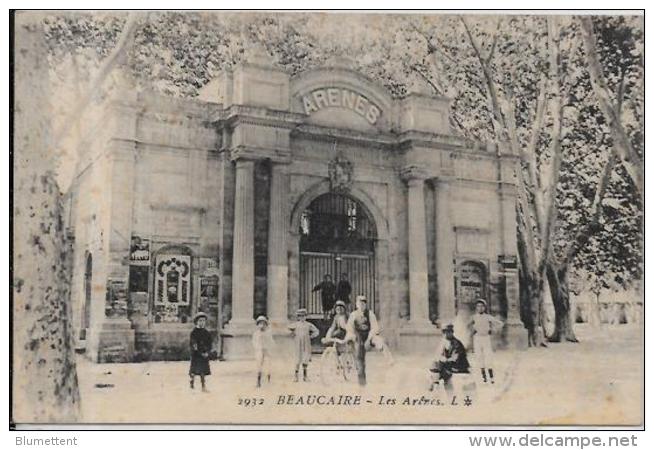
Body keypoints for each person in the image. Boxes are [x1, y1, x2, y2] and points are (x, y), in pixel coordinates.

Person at [345, 295, 393, 386]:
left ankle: (389, 360)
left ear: (366, 304)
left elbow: (375, 328)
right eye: (360, 303)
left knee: (380, 341)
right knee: (360, 358)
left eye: (363, 303)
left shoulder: (370, 314)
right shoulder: (353, 315)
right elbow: (349, 327)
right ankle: (362, 383)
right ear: (356, 304)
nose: (361, 305)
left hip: (368, 335)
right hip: (359, 336)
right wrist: (353, 336)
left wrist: (368, 339)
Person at [469, 298, 504, 384]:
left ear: (484, 308)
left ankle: (491, 377)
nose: (480, 308)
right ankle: (484, 377)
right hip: (477, 338)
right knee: (479, 357)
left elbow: (500, 323)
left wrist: (493, 330)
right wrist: (472, 330)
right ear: (476, 308)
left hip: (486, 338)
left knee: (488, 357)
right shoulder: (473, 317)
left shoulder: (488, 317)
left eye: (482, 306)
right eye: (478, 306)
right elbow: (467, 325)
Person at [429, 323, 470, 391]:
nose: (446, 334)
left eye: (448, 332)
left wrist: (445, 360)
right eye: (444, 332)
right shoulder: (445, 342)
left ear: (452, 332)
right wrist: (441, 359)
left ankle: (434, 383)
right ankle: (435, 383)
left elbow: (456, 358)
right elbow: (438, 354)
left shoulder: (456, 343)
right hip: (449, 364)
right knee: (436, 363)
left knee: (440, 366)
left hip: (459, 366)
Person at [288, 308, 320, 382]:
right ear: (298, 317)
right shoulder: (296, 324)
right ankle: (296, 376)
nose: (302, 318)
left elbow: (316, 331)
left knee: (305, 358)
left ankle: (305, 376)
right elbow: (288, 328)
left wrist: (311, 336)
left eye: (304, 316)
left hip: (306, 343)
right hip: (298, 343)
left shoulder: (308, 325)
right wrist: (292, 334)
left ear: (306, 316)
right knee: (297, 359)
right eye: (300, 316)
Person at [189, 312, 212, 392]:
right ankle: (192, 382)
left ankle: (203, 386)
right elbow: (193, 344)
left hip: (204, 354)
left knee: (203, 371)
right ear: (197, 322)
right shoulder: (194, 333)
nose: (202, 323)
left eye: (203, 321)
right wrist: (198, 352)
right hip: (197, 354)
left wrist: (207, 352)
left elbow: (209, 343)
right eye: (200, 321)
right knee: (194, 370)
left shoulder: (206, 333)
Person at [252, 315, 275, 388]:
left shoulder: (268, 333)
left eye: (263, 324)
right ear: (257, 325)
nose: (261, 325)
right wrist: (257, 348)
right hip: (259, 350)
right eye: (260, 324)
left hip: (267, 350)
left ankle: (268, 381)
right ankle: (258, 381)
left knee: (268, 365)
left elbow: (271, 342)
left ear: (266, 324)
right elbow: (254, 342)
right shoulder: (256, 334)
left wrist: (270, 348)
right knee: (259, 365)